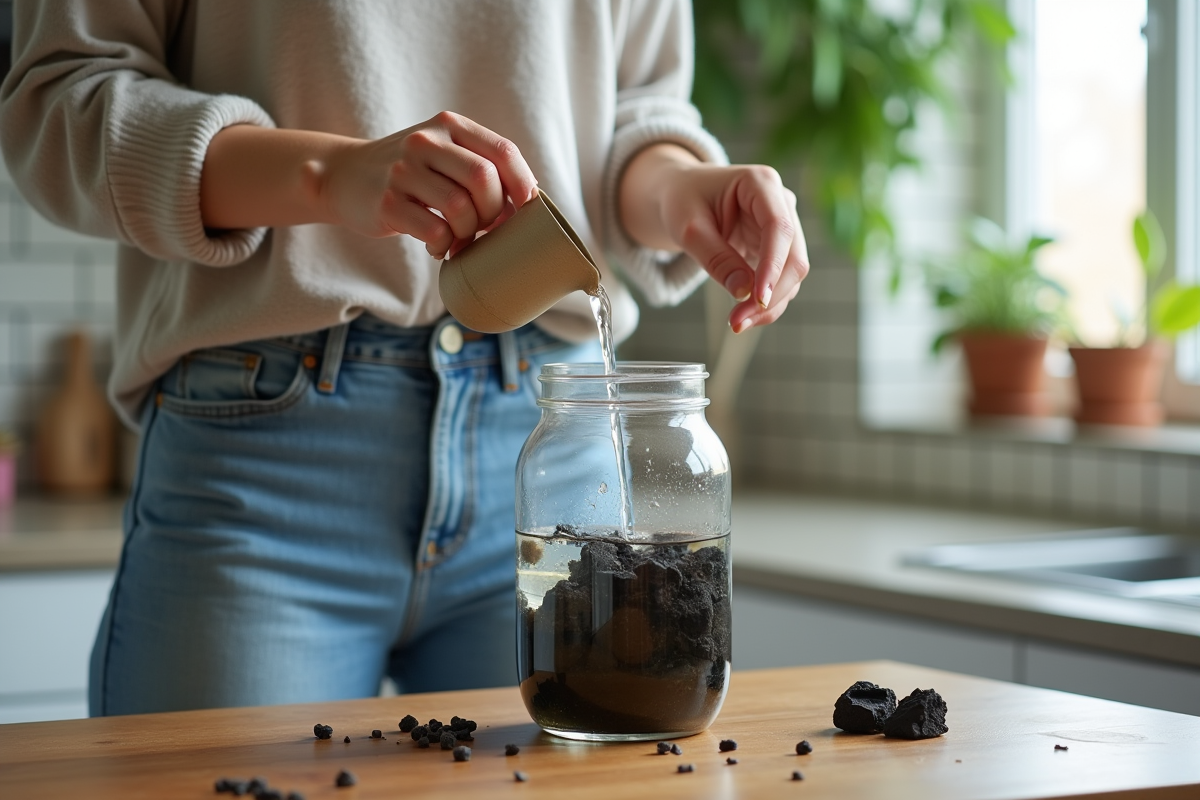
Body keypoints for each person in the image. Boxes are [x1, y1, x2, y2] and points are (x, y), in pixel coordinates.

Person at [0, 0, 809, 716]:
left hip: (555, 447)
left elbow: (628, 111)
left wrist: (684, 192)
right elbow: (57, 103)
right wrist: (327, 175)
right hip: (264, 459)